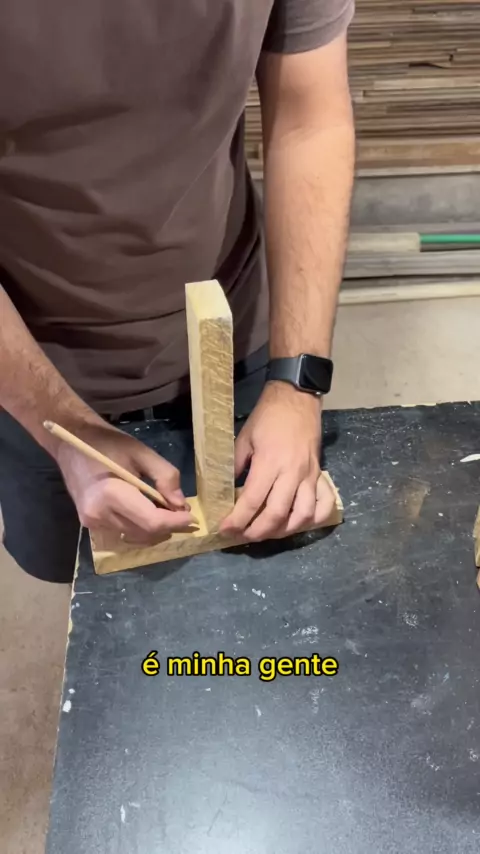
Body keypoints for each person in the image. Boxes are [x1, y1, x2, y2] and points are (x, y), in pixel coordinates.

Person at [0, 0, 355, 583]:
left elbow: (309, 121)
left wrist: (297, 382)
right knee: (94, 599)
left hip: (237, 327)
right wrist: (59, 426)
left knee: (254, 588)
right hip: (33, 366)